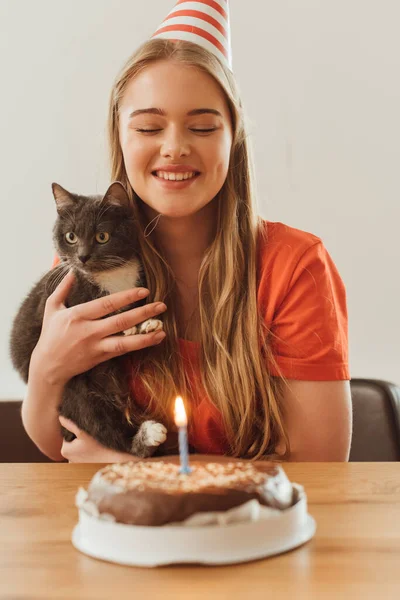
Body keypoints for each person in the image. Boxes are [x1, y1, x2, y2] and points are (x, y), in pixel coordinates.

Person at [21, 0, 352, 463]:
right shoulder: (86, 264)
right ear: (120, 137)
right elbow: (59, 446)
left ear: (232, 137)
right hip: (124, 532)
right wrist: (46, 371)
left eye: (200, 126)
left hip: (252, 534)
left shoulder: (294, 267)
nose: (174, 148)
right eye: (149, 127)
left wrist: (133, 468)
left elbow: (320, 467)